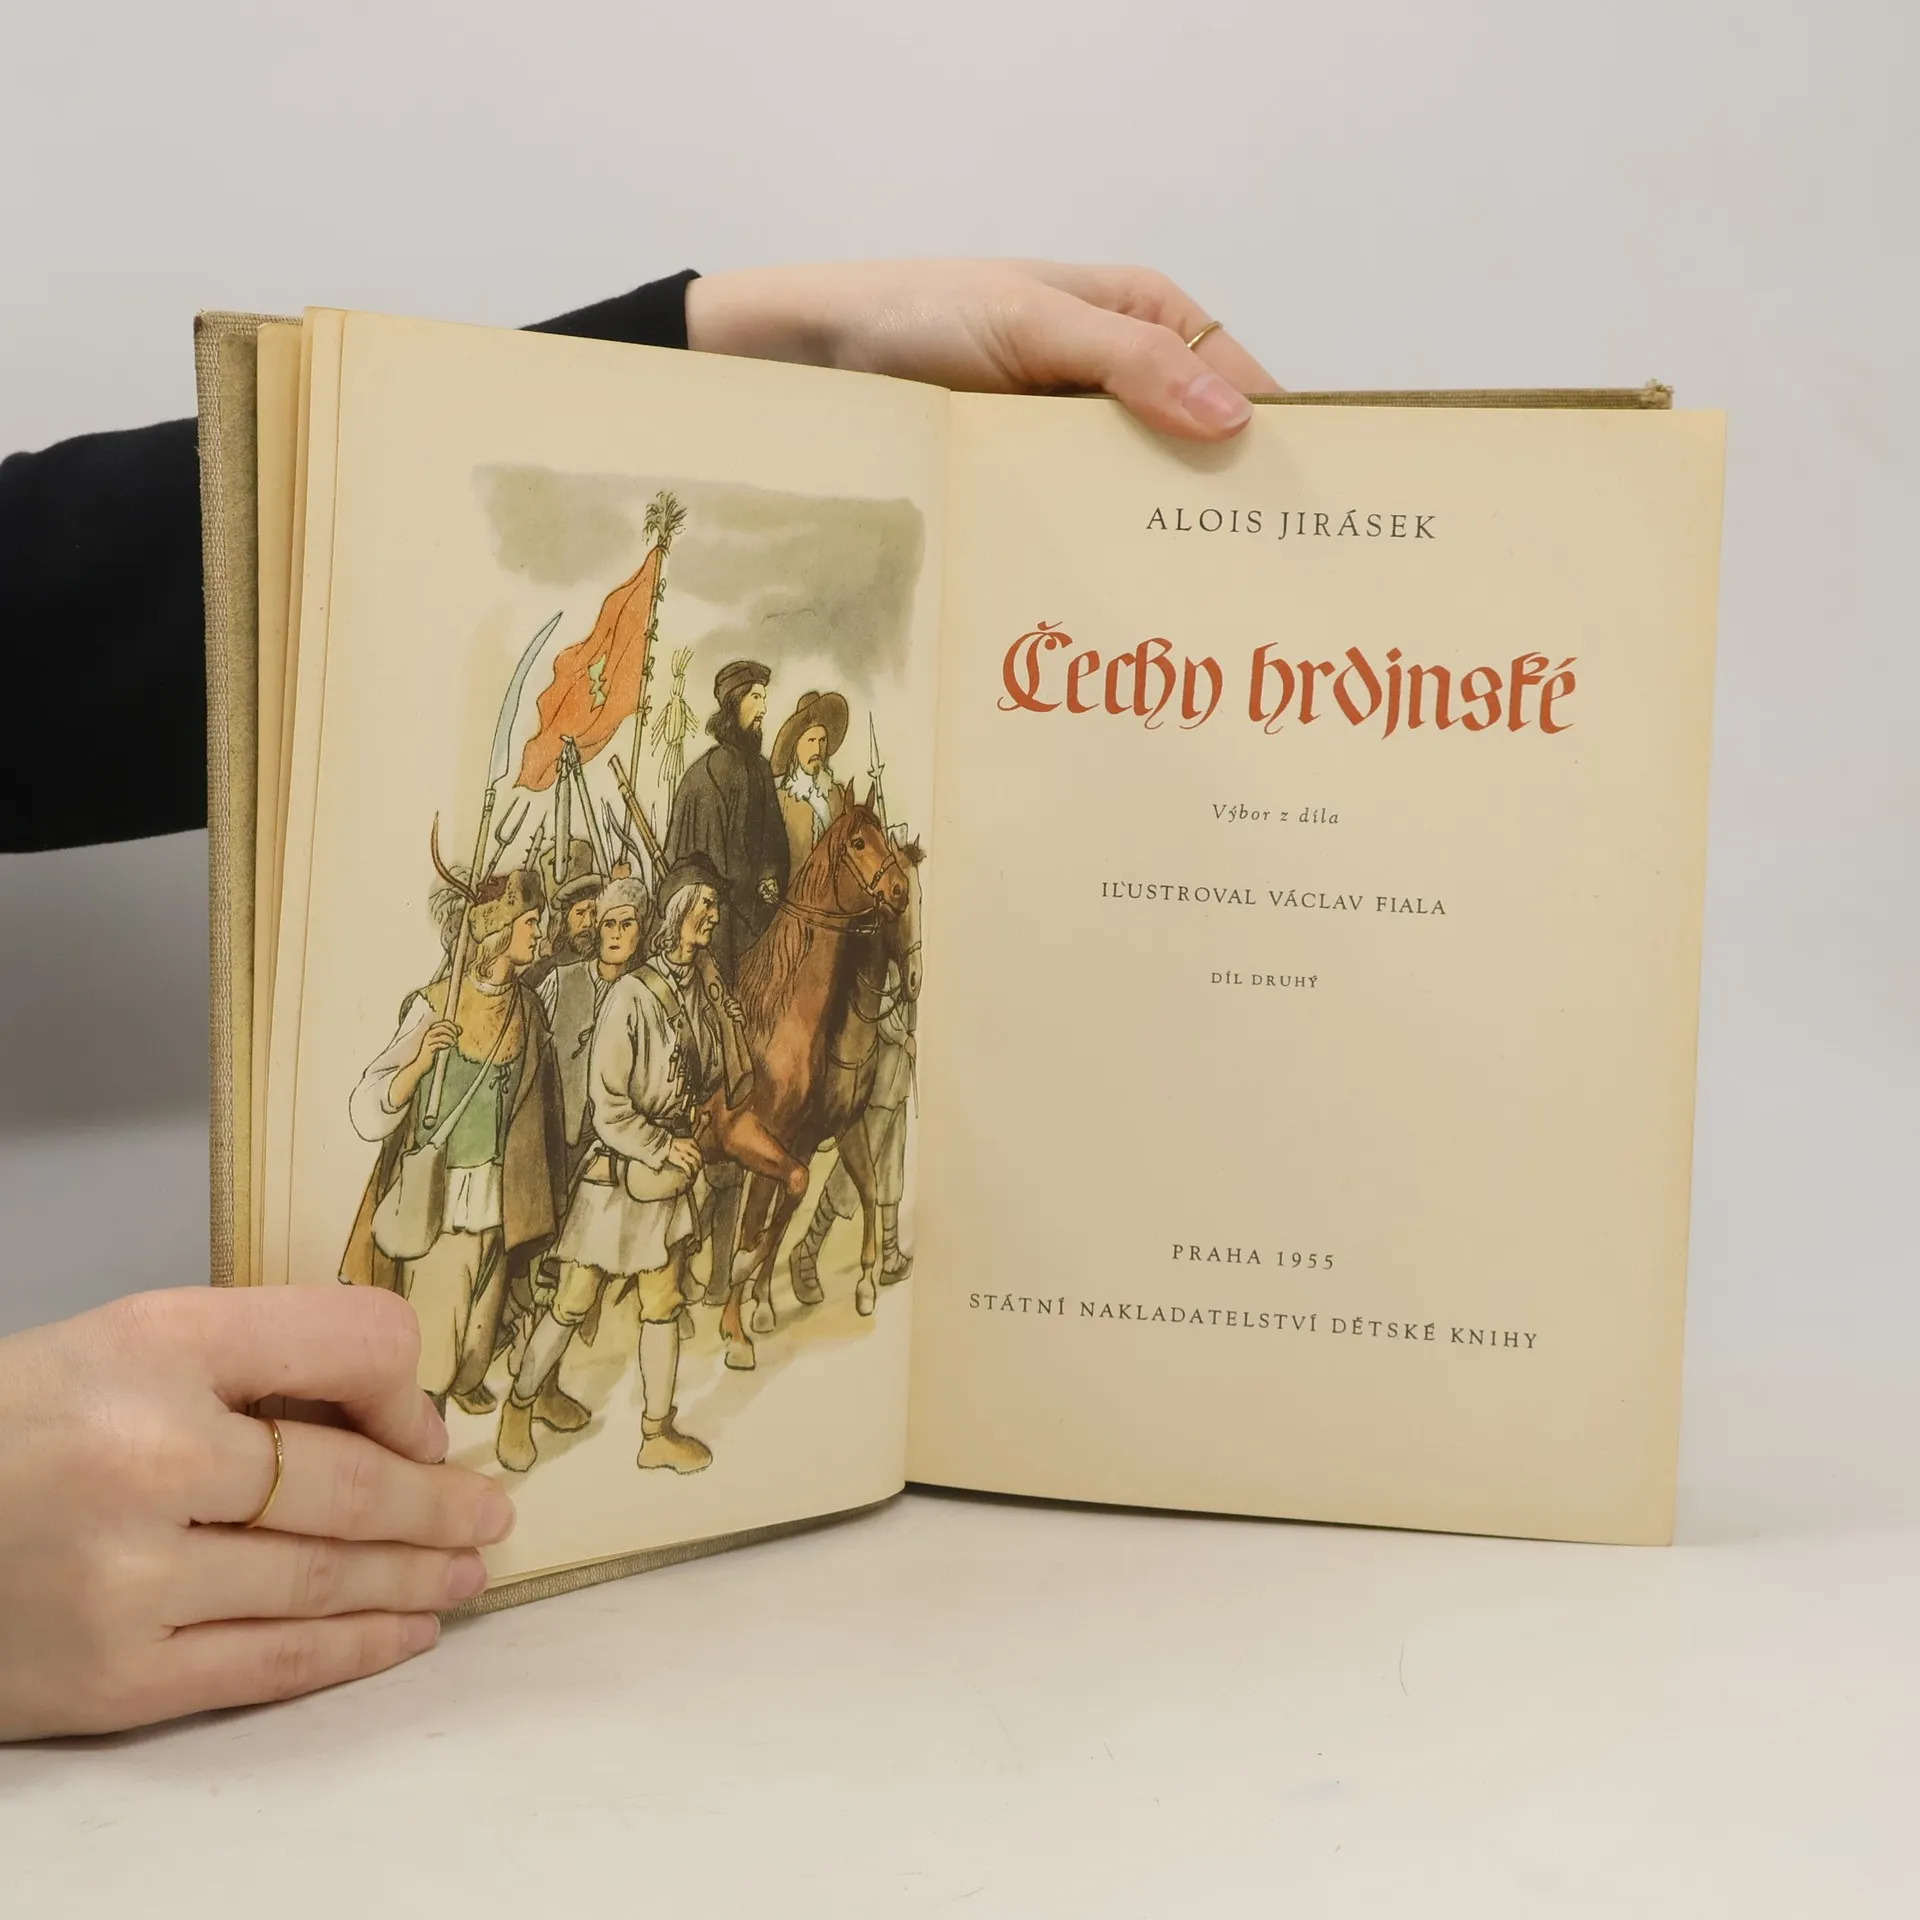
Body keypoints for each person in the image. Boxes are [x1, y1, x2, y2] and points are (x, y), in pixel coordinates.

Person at [0, 258, 1275, 1740]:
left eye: (776, 718)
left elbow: (56, 613)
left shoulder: (791, 798)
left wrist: (738, 349)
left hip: (723, 971)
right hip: (647, 1055)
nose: (768, 728)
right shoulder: (695, 823)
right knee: (534, 1265)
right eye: (761, 714)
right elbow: (694, 871)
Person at [496, 877, 728, 1476]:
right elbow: (608, 1105)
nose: (712, 918)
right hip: (618, 1173)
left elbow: (705, 1070)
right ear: (677, 915)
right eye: (703, 908)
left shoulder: (693, 987)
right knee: (573, 1299)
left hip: (663, 1176)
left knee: (663, 1300)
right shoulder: (631, 995)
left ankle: (656, 1433)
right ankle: (519, 1408)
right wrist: (661, 1145)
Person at [340, 867, 568, 1418]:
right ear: (499, 931)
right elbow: (366, 1109)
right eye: (531, 923)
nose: (540, 933)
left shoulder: (529, 1008)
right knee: (433, 1359)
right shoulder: (435, 1005)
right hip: (439, 1209)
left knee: (474, 1351)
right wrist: (419, 1064)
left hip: (501, 1209)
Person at [661, 659, 788, 981]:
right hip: (717, 926)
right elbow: (703, 861)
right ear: (734, 703)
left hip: (762, 917)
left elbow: (774, 840)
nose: (763, 709)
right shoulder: (705, 775)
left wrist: (770, 875)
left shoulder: (761, 770)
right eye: (756, 698)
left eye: (764, 699)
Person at [772, 689, 850, 881]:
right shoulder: (780, 800)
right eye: (811, 741)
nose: (817, 749)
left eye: (822, 741)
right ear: (796, 747)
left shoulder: (838, 795)